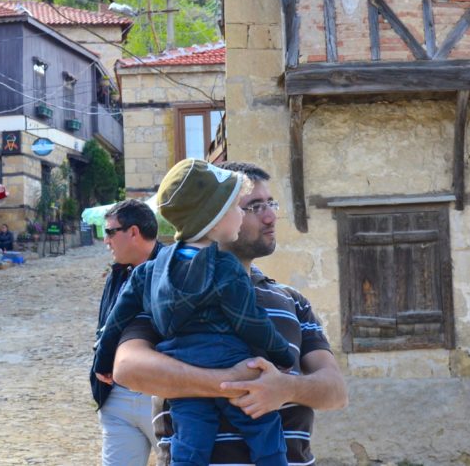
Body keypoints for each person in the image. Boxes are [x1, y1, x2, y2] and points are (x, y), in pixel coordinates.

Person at [111, 162, 348, 466]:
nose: (270, 216)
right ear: (214, 215)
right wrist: (230, 382)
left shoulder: (292, 301)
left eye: (270, 203)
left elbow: (336, 391)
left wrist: (283, 388)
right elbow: (128, 369)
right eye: (252, 206)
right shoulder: (165, 295)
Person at [92, 199, 163, 466]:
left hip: (161, 394)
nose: (105, 240)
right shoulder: (118, 274)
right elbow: (106, 325)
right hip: (117, 397)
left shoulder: (174, 270)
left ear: (133, 232)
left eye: (110, 232)